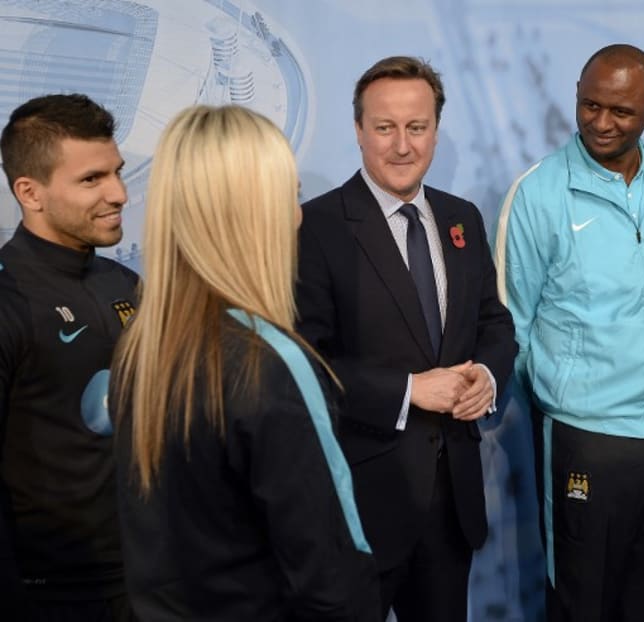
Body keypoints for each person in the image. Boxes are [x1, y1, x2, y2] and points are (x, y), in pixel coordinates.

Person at [110, 104, 379, 621]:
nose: (298, 215)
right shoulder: (272, 365)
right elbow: (331, 577)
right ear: (252, 215)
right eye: (289, 196)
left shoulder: (141, 347)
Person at [296, 56, 516, 621]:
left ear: (436, 132)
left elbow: (494, 323)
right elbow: (304, 360)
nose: (401, 145)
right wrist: (408, 390)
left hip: (452, 507)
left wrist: (486, 378)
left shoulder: (461, 217)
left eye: (415, 128)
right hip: (362, 507)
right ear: (358, 130)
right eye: (384, 128)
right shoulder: (315, 227)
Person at [495, 44, 644, 621]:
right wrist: (567, 396)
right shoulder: (537, 193)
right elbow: (512, 326)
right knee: (581, 606)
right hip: (585, 437)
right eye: (590, 105)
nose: (601, 123)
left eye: (622, 112)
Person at [0, 93, 137, 621]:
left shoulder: (126, 283)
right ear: (29, 192)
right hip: (51, 594)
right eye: (91, 180)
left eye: (117, 173)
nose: (119, 193)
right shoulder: (9, 300)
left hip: (147, 576)